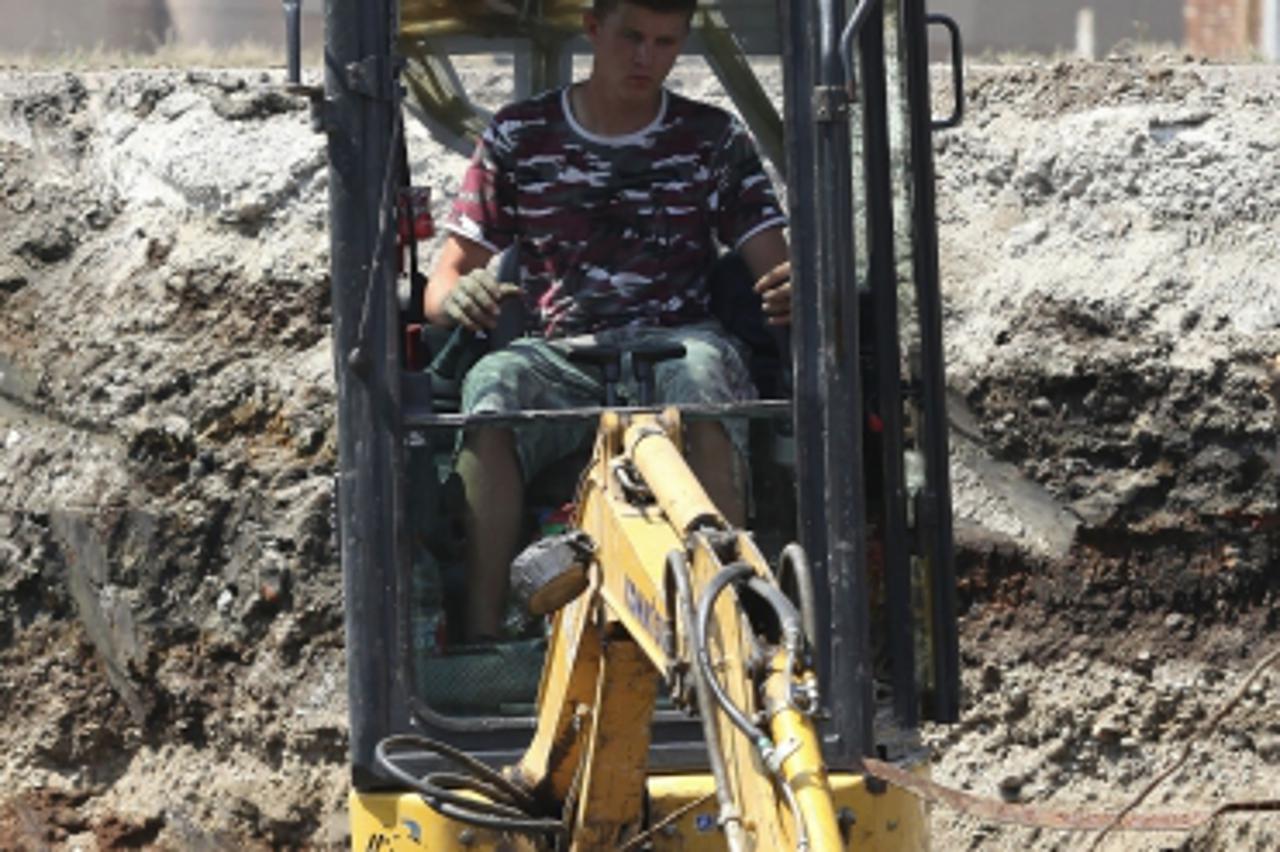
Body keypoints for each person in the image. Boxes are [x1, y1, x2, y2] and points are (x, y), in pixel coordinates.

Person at [424, 0, 792, 641]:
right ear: (594, 28)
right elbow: (445, 280)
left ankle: (727, 633)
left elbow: (776, 269)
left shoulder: (713, 140)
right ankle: (483, 637)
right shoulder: (519, 136)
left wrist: (797, 288)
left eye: (665, 42)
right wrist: (460, 299)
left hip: (679, 342)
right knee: (491, 389)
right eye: (632, 37)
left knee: (705, 380)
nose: (647, 57)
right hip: (558, 354)